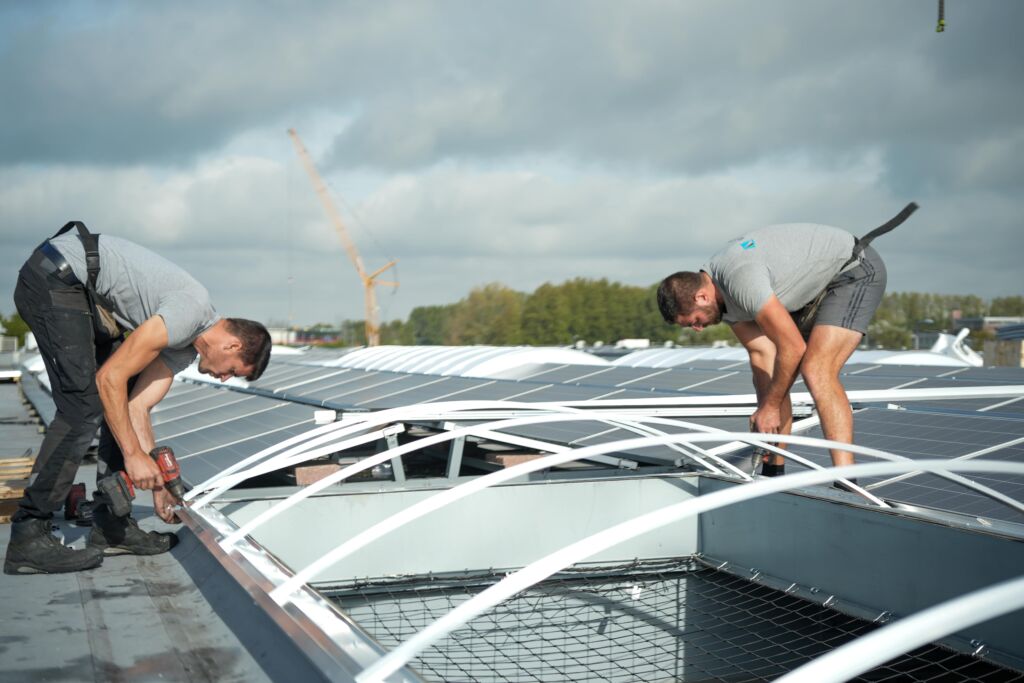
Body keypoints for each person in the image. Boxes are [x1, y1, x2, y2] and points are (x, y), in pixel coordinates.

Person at [4, 222, 272, 575]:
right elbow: (108, 377)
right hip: (55, 277)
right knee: (83, 404)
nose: (224, 378)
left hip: (83, 294)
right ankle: (28, 535)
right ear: (232, 345)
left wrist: (158, 483)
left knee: (119, 399)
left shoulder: (182, 350)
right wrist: (132, 455)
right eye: (233, 370)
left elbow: (137, 406)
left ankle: (111, 527)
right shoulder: (188, 313)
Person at [656, 220, 895, 483]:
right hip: (810, 292)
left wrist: (770, 407)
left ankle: (847, 481)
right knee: (774, 384)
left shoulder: (740, 280)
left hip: (852, 270)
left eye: (695, 321)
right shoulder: (719, 300)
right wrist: (765, 412)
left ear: (701, 297)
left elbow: (792, 347)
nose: (698, 328)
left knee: (817, 370)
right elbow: (762, 355)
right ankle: (773, 472)